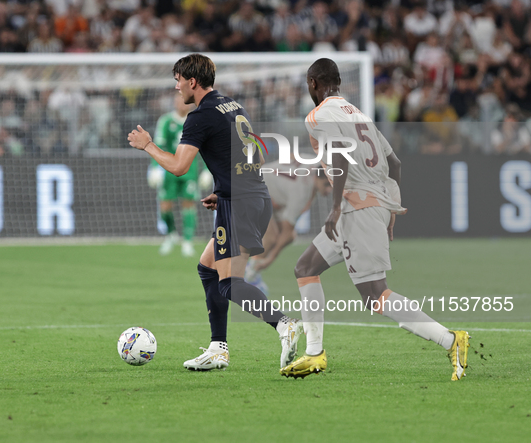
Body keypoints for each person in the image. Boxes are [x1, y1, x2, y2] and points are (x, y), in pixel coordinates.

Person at [280, 58, 470, 381]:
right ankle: (314, 354)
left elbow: (338, 152)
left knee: (376, 296)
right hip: (372, 206)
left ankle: (451, 340)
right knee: (306, 268)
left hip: (356, 209)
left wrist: (336, 206)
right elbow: (394, 163)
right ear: (339, 82)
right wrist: (391, 209)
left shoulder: (318, 116)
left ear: (313, 84)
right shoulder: (362, 116)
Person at [128, 53, 302, 371]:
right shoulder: (232, 105)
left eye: (179, 80)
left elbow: (180, 167)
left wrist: (148, 146)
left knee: (228, 283)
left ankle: (284, 324)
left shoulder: (199, 116)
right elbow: (258, 156)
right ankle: (218, 349)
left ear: (192, 81)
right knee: (208, 269)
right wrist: (223, 191)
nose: (177, 87)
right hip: (247, 199)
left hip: (240, 205)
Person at [245, 161, 331, 293]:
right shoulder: (301, 194)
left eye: (331, 185)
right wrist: (271, 259)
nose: (329, 190)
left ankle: (250, 271)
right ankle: (249, 276)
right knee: (271, 237)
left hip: (266, 191)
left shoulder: (316, 164)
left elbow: (292, 156)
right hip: (252, 187)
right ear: (316, 178)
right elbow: (286, 231)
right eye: (326, 185)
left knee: (290, 237)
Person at [148, 94, 212, 257]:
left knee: (188, 205)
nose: (182, 104)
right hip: (169, 170)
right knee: (165, 206)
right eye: (178, 101)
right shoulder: (166, 121)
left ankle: (187, 242)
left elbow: (205, 148)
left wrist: (206, 170)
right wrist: (155, 168)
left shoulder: (199, 121)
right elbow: (159, 145)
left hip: (189, 171)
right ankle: (171, 235)